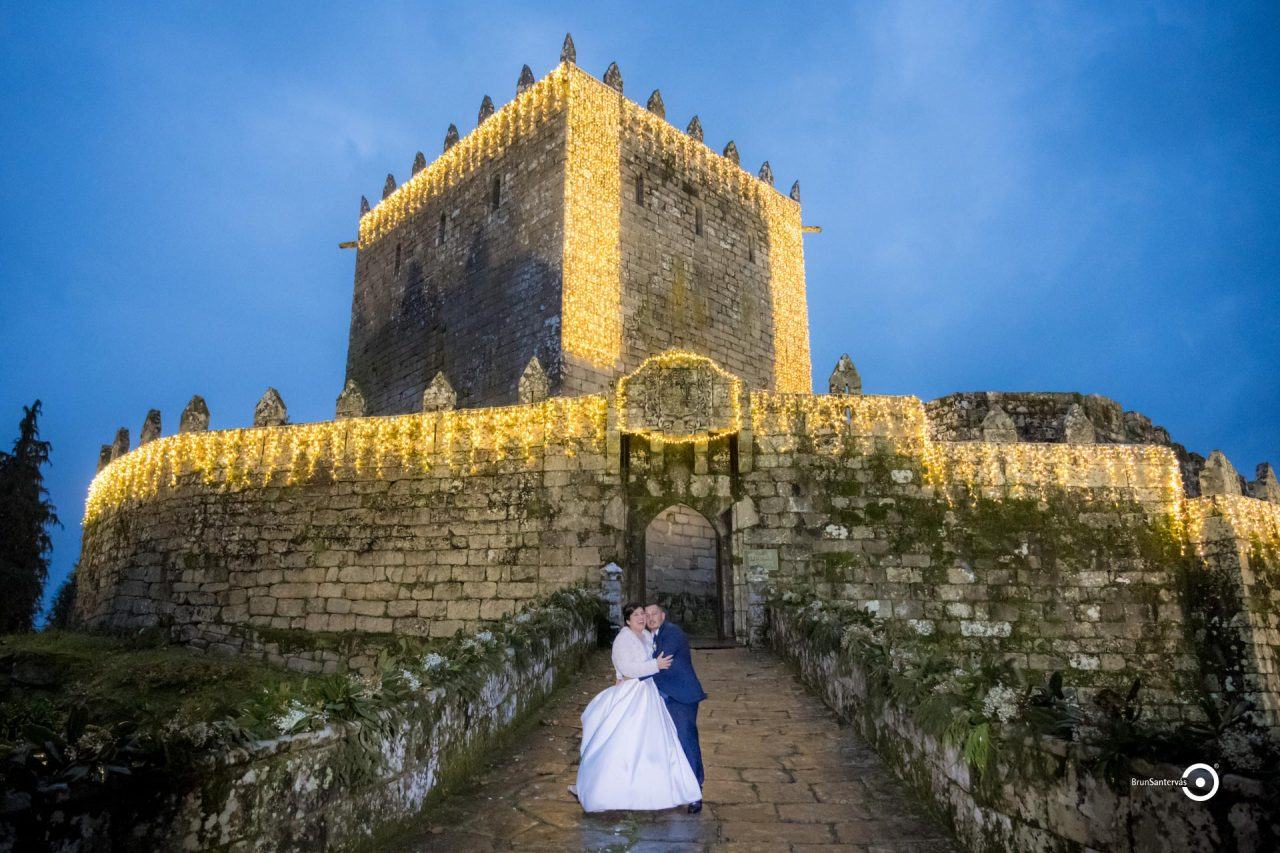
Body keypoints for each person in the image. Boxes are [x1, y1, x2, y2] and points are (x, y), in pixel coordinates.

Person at [573, 602, 702, 812]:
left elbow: (654, 661)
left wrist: (634, 671)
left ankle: (681, 787)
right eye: (637, 615)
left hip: (660, 694)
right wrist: (627, 673)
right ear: (627, 620)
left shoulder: (654, 635)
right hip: (635, 693)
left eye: (645, 613)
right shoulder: (624, 638)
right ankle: (622, 788)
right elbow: (626, 666)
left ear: (662, 614)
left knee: (662, 743)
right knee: (629, 741)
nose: (643, 618)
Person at [645, 601, 707, 814]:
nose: (650, 617)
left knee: (686, 741)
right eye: (647, 614)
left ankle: (695, 792)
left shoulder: (672, 633)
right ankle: (674, 788)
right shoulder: (649, 636)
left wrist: (630, 672)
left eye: (655, 613)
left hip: (681, 697)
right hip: (663, 697)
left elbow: (660, 661)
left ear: (663, 616)